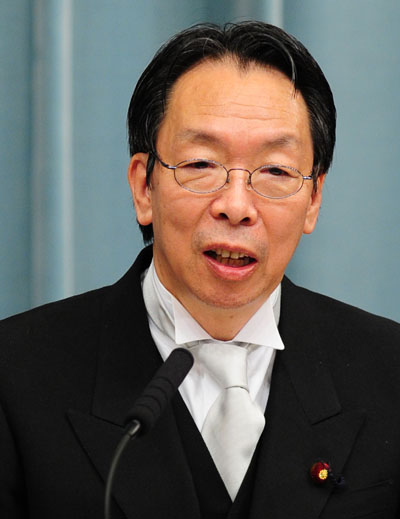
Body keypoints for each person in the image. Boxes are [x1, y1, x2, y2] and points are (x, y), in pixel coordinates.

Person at [1, 21, 400, 519]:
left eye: (275, 171)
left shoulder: (389, 373)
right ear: (144, 188)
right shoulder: (15, 376)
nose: (236, 206)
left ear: (314, 198)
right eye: (200, 165)